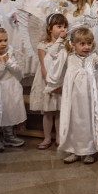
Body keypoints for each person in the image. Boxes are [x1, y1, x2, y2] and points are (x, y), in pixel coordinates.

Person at [46, 25, 98, 164]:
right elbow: (52, 53)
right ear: (73, 44)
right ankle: (74, 151)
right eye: (82, 44)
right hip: (73, 99)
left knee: (88, 123)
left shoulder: (94, 57)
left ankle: (88, 151)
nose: (86, 47)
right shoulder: (69, 57)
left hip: (90, 100)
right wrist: (60, 39)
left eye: (89, 43)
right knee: (73, 122)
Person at [0, 26, 27, 151]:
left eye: (5, 40)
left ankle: (9, 136)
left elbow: (19, 72)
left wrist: (8, 62)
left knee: (9, 111)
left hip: (10, 88)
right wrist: (2, 63)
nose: (3, 44)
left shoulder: (11, 53)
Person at [31, 13, 67, 149]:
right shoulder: (43, 45)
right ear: (49, 28)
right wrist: (49, 83)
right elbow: (43, 64)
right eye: (59, 26)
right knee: (48, 112)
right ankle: (47, 138)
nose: (63, 29)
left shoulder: (65, 44)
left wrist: (62, 83)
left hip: (60, 80)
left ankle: (59, 137)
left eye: (64, 26)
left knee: (58, 111)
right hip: (46, 80)